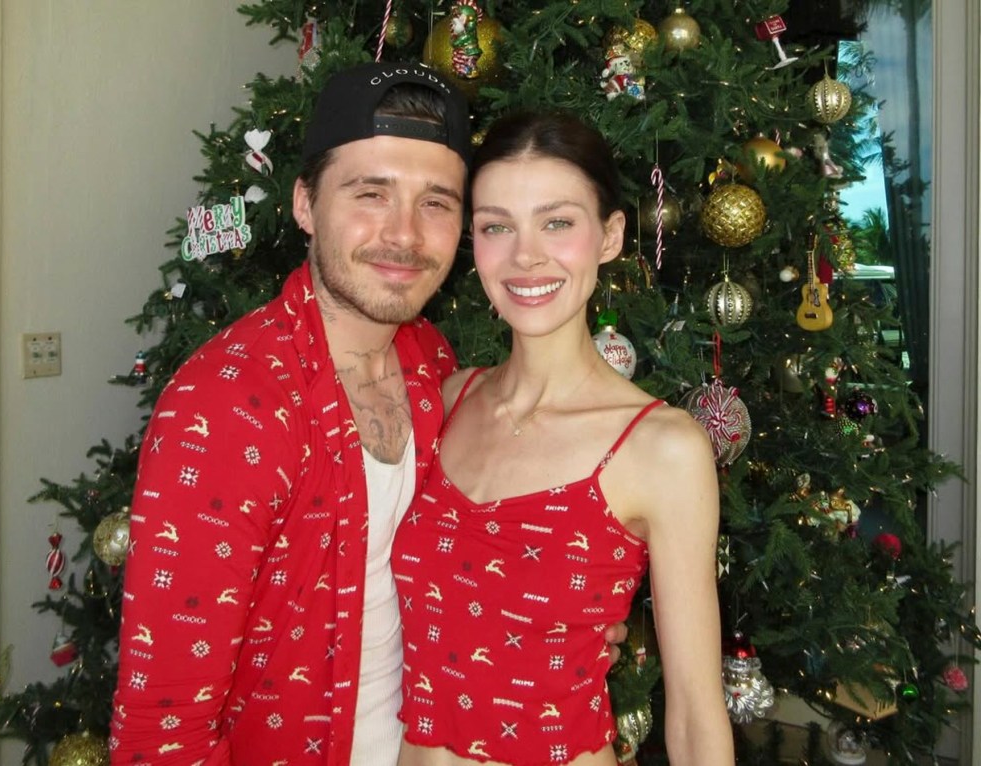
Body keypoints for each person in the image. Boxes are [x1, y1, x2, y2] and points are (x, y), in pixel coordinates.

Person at [109, 63, 624, 766]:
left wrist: (559, 622)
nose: (404, 235)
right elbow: (161, 728)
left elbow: (463, 569)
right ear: (304, 203)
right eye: (371, 193)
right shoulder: (229, 404)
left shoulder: (432, 366)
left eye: (435, 202)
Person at [392, 112, 734, 766]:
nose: (526, 256)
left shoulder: (661, 448)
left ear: (610, 235)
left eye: (557, 222)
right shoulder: (446, 400)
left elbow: (695, 714)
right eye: (497, 226)